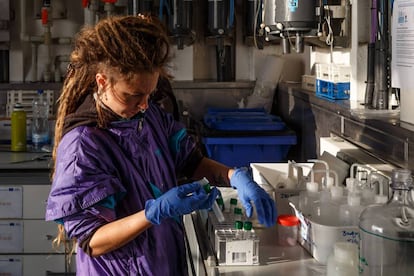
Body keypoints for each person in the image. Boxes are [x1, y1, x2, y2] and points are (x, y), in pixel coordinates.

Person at [45, 14, 276, 276]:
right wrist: (154, 212)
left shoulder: (147, 115)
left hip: (162, 263)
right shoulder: (84, 146)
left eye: (149, 94)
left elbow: (191, 161)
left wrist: (235, 177)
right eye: (132, 96)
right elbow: (92, 241)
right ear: (102, 82)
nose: (144, 104)